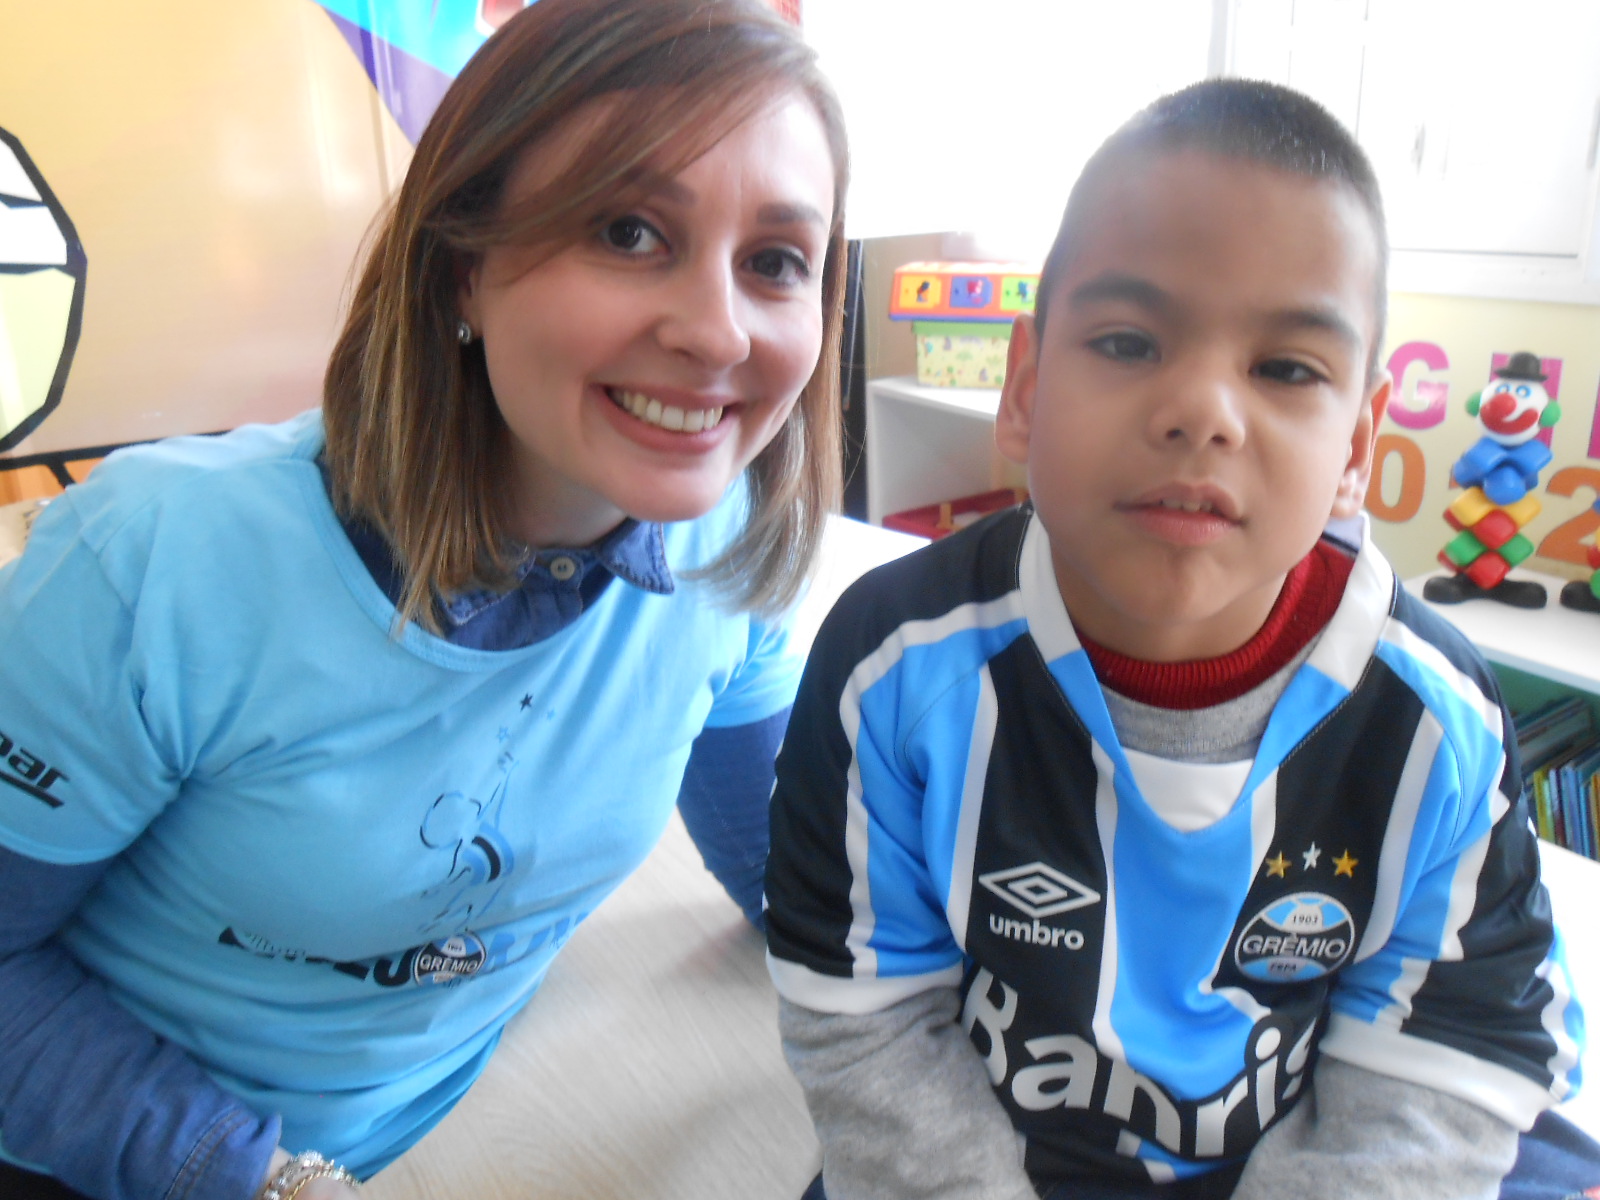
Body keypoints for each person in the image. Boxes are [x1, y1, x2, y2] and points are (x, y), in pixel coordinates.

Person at [0, 1, 847, 1197]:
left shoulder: (729, 549)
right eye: (627, 229)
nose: (717, 332)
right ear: (462, 269)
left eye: (774, 261)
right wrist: (246, 1175)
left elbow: (786, 865)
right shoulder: (153, 564)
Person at [763, 79, 1594, 1200]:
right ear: (1024, 385)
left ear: (1355, 446)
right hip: (993, 1157)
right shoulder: (890, 664)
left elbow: (1442, 1059)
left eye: (1285, 368)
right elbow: (859, 1016)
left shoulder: (1430, 722)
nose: (1203, 408)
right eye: (1125, 340)